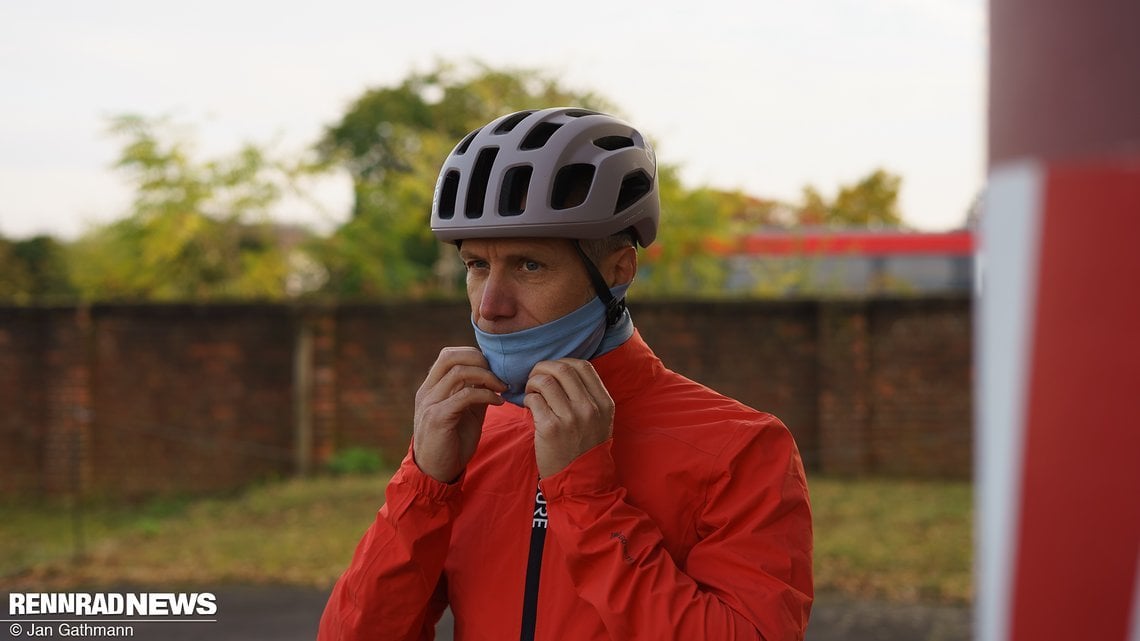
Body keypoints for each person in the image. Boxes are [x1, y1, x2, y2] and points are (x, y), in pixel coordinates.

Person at [317, 107, 813, 641]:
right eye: (477, 266)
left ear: (618, 271)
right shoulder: (472, 434)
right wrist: (425, 488)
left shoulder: (740, 448)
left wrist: (587, 498)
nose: (490, 306)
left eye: (529, 265)